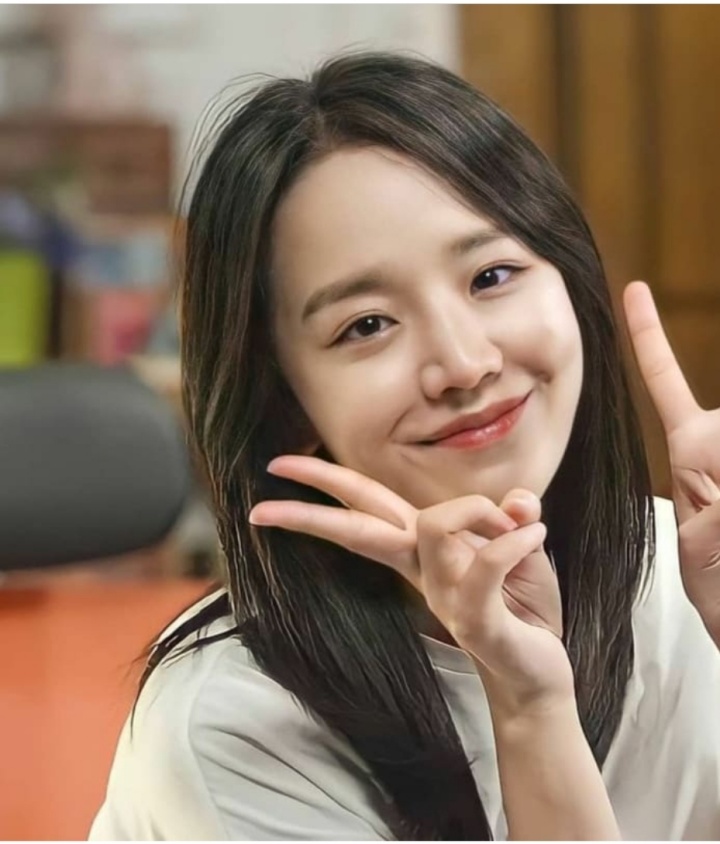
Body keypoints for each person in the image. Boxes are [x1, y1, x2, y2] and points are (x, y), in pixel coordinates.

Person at [89, 51, 720, 840]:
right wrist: (530, 708)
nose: (464, 363)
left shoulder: (687, 574)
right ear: (284, 402)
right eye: (367, 325)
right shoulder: (235, 733)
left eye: (491, 277)